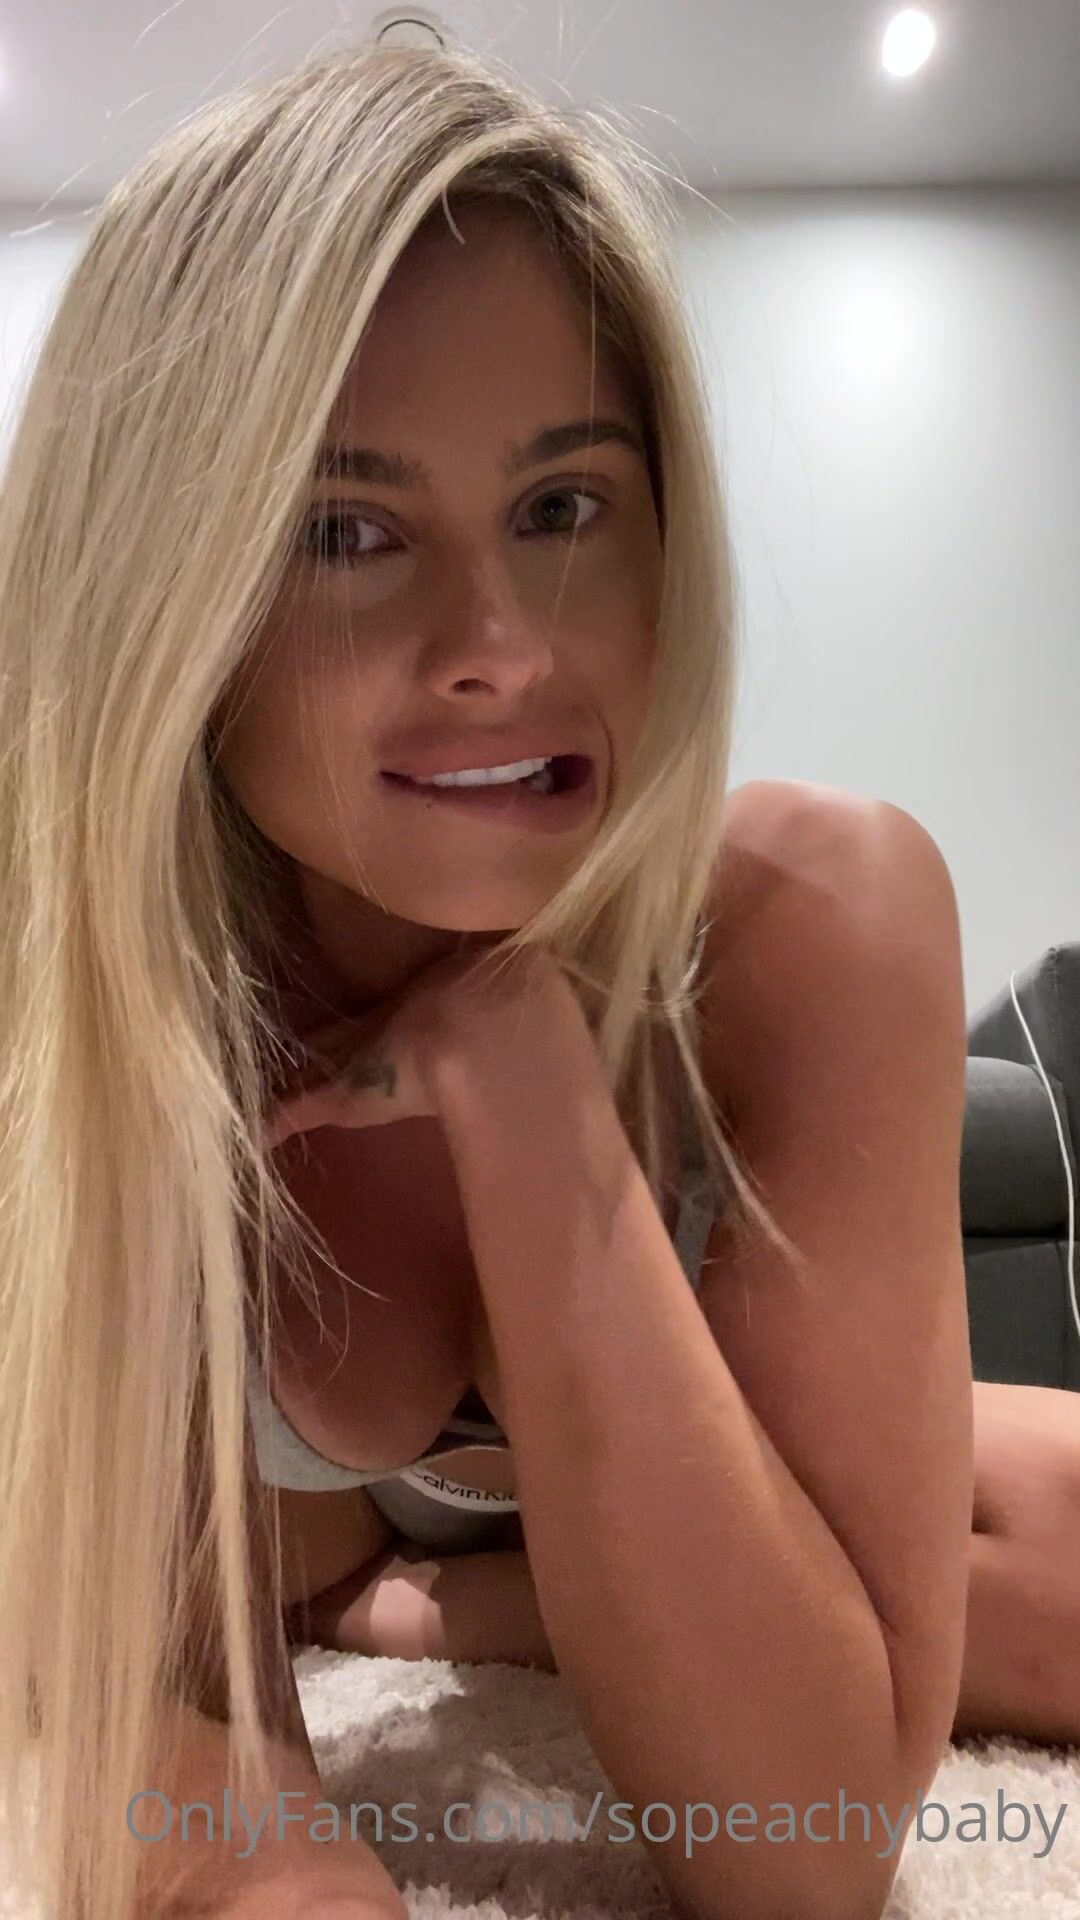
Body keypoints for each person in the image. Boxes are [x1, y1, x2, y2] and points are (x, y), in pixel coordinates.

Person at [2, 37, 1079, 1920]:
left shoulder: (819, 913)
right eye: (345, 532)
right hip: (320, 1509)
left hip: (596, 1452)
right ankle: (406, 1585)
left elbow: (810, 1856)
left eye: (564, 506)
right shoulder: (101, 987)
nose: (500, 646)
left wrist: (527, 1090)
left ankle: (432, 1598)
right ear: (162, 593)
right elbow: (153, 1721)